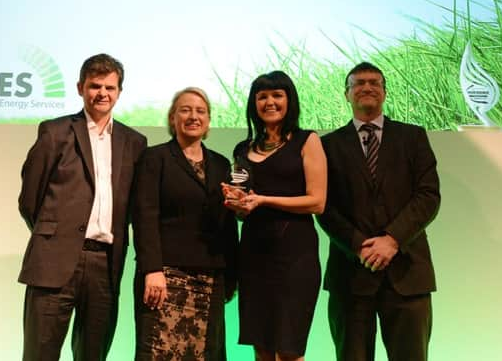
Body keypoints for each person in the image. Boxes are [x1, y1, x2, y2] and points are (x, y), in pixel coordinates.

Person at [18, 53, 148, 360]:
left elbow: (135, 207)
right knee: (40, 352)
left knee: (93, 353)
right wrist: (55, 237)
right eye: (95, 86)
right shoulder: (55, 132)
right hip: (54, 261)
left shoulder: (134, 142)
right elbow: (30, 199)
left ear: (119, 92)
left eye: (110, 87)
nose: (102, 93)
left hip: (105, 264)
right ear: (80, 88)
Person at [318, 61, 441, 361]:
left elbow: (428, 196)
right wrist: (360, 245)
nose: (367, 87)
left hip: (408, 273)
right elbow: (325, 206)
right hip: (350, 275)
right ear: (346, 94)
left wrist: (392, 240)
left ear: (385, 92)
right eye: (358, 83)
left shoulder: (413, 137)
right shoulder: (327, 145)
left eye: (374, 82)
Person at [222, 70, 327, 361]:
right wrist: (237, 203)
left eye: (277, 95)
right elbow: (244, 206)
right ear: (254, 104)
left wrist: (264, 199)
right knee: (262, 347)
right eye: (262, 96)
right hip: (254, 255)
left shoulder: (307, 141)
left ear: (289, 100)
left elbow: (317, 201)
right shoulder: (242, 150)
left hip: (295, 256)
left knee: (289, 349)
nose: (270, 102)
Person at [132, 87, 238, 360]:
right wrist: (152, 269)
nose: (194, 116)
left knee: (206, 353)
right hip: (166, 276)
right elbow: (145, 216)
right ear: (172, 118)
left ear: (208, 120)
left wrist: (232, 276)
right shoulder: (155, 158)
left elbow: (227, 224)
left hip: (211, 277)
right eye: (185, 110)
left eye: (201, 111)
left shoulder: (221, 164)